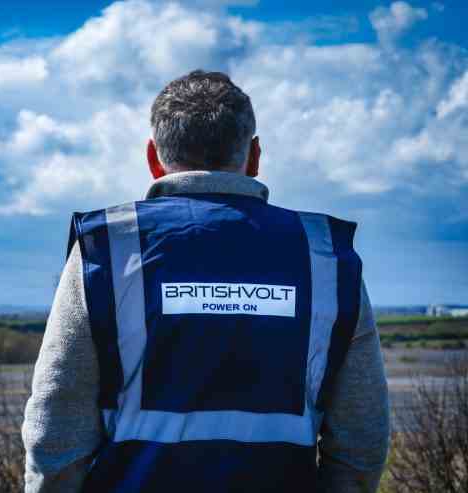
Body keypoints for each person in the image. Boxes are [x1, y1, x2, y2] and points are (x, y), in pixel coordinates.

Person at [22, 70, 390, 493]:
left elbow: (57, 430)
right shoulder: (324, 256)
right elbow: (362, 441)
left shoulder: (107, 249)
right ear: (254, 157)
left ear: (153, 158)